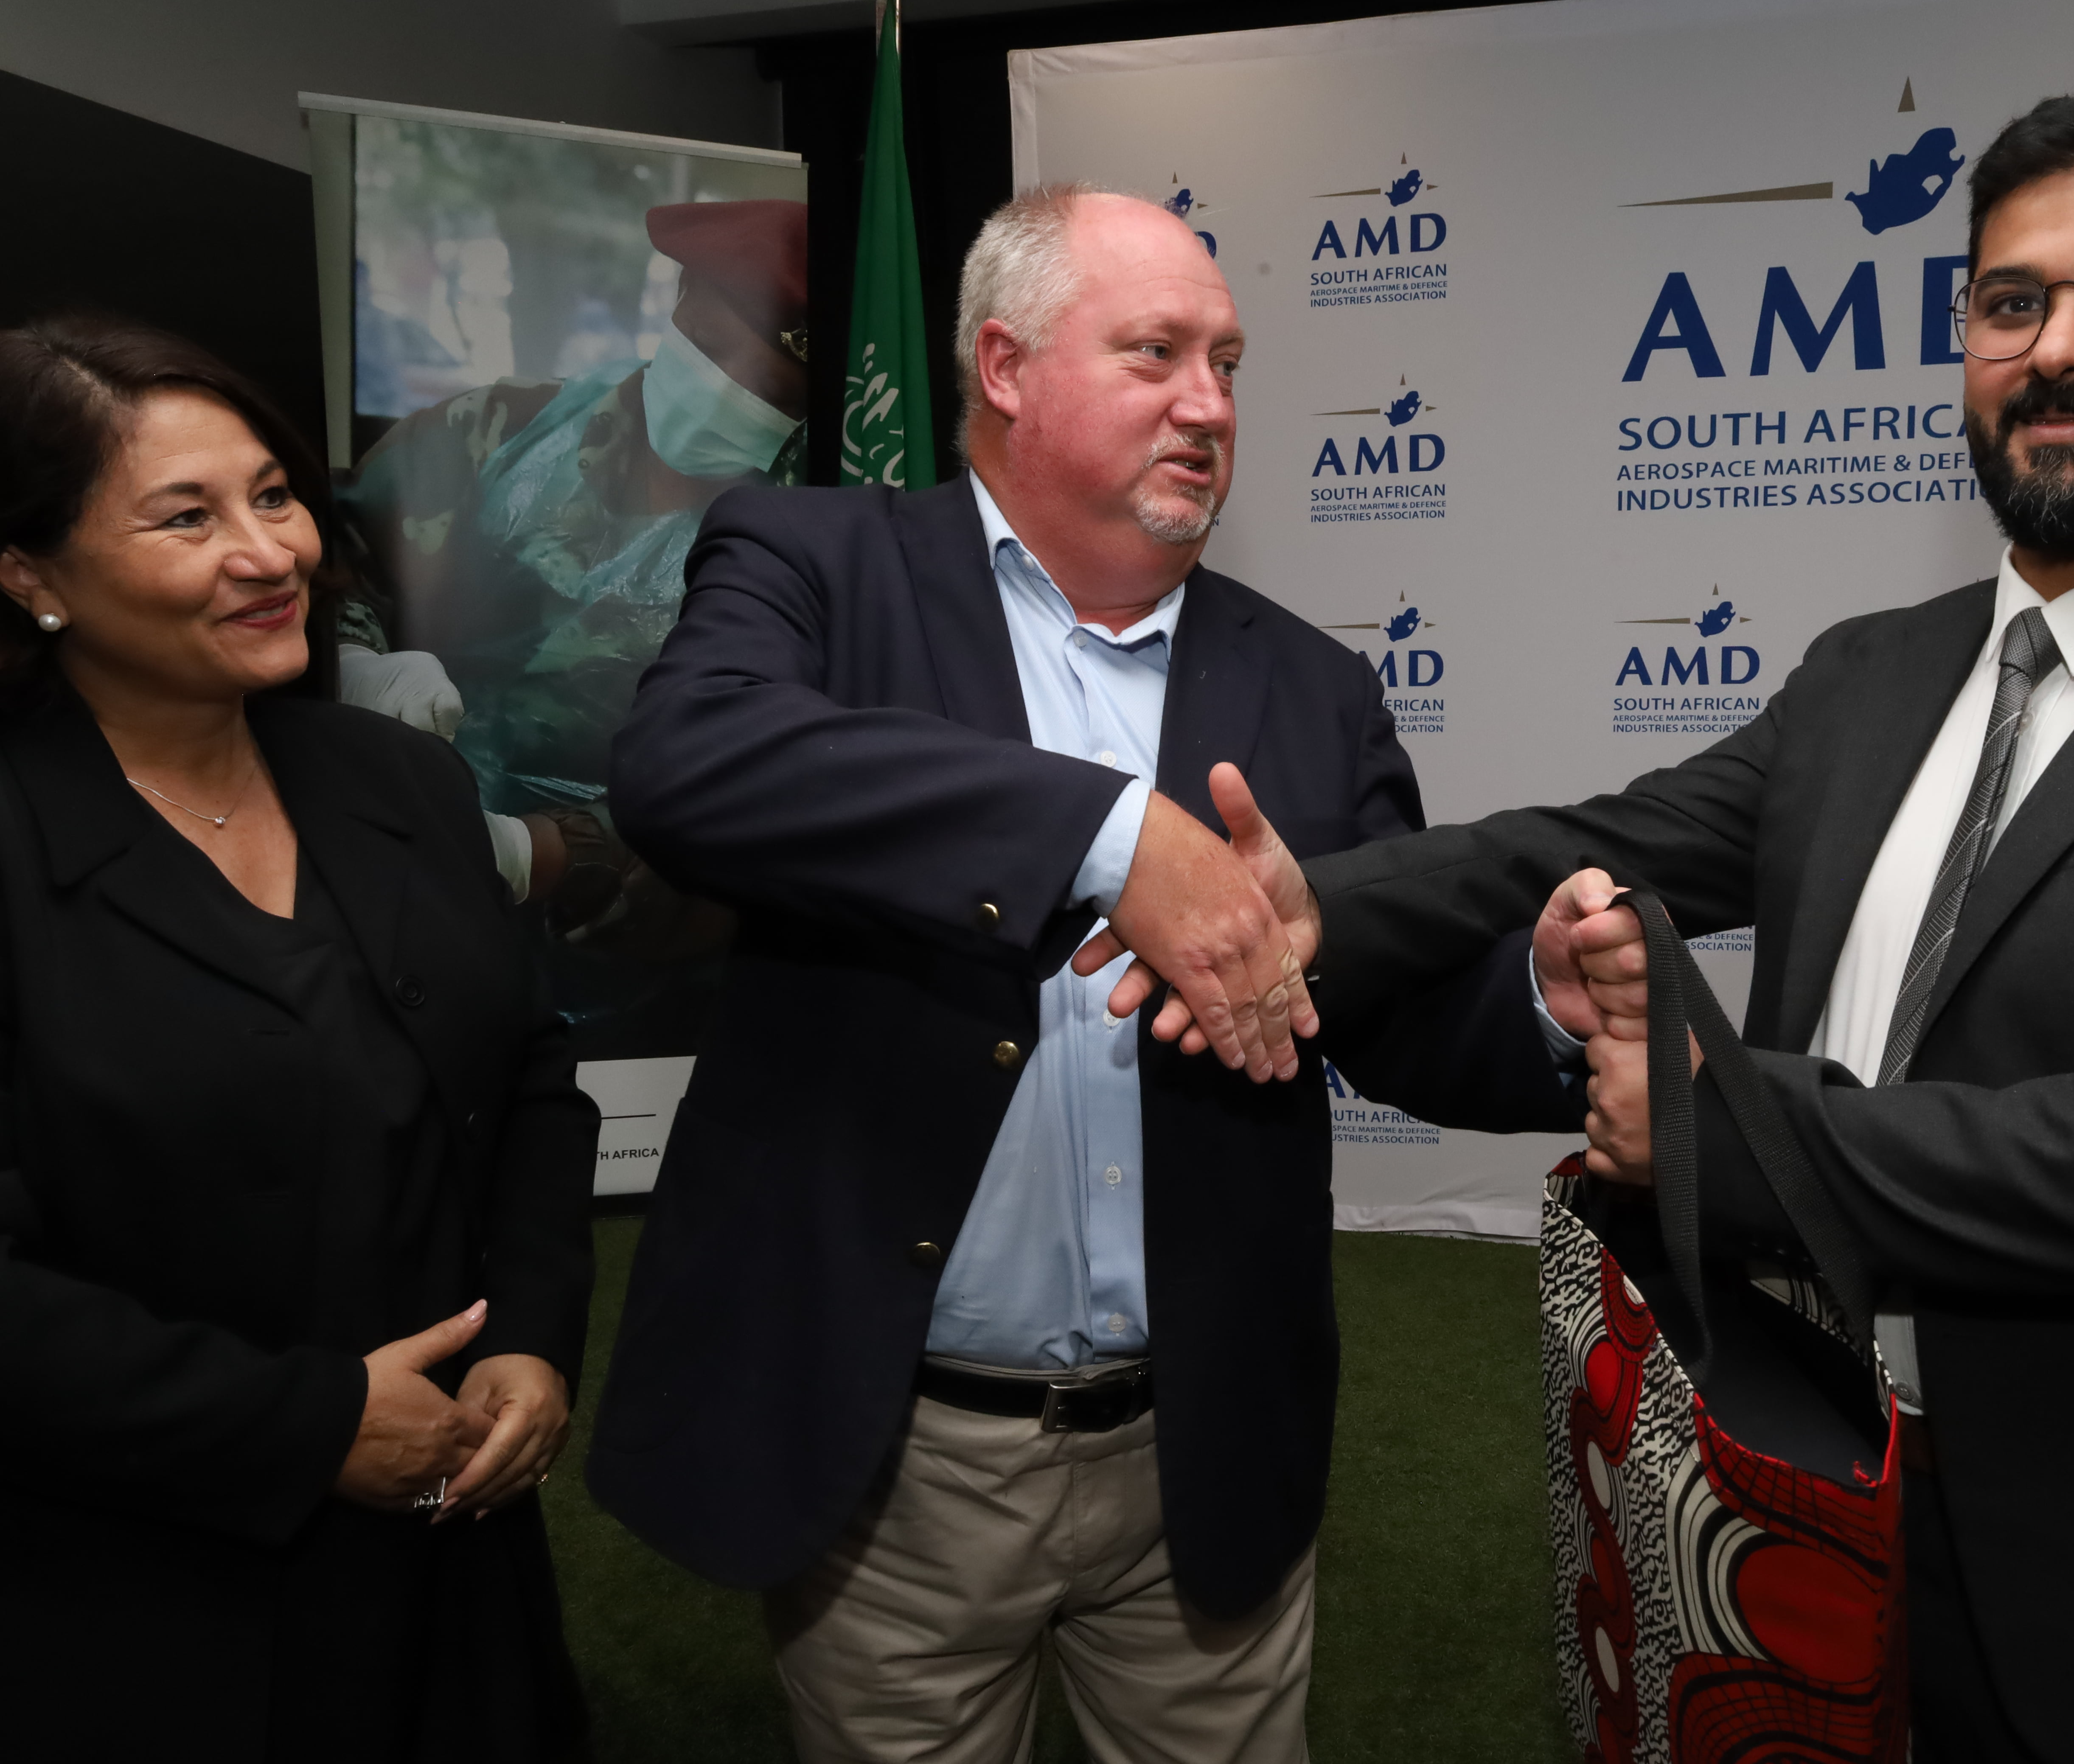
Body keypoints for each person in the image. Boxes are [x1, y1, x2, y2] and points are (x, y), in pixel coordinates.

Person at [1121, 83, 2074, 1762]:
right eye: (2010, 301)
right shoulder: (1872, 671)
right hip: (1803, 1514)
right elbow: (1607, 842)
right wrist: (1314, 902)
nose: (2057, 348)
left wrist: (1727, 1139)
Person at [585, 185, 1552, 1762]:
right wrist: (1110, 838)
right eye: (1156, 353)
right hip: (896, 1454)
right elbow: (685, 763)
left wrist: (1555, 1012)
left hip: (1201, 1445)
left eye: (1227, 363)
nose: (1209, 404)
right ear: (1007, 366)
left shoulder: (1312, 688)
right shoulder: (817, 561)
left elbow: (1390, 1010)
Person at [0, 315, 598, 1761]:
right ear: (33, 577)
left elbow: (529, 1077)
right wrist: (307, 1424)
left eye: (274, 496)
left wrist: (531, 1338)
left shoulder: (402, 782)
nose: (270, 553)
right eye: (186, 517)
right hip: (142, 1600)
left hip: (454, 1564)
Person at [340, 198, 810, 1051]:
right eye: (712, 352)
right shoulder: (495, 432)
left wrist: (531, 854)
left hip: (646, 990)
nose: (728, 393)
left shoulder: (820, 532)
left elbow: (787, 792)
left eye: (767, 392)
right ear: (680, 295)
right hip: (397, 906)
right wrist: (350, 659)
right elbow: (332, 563)